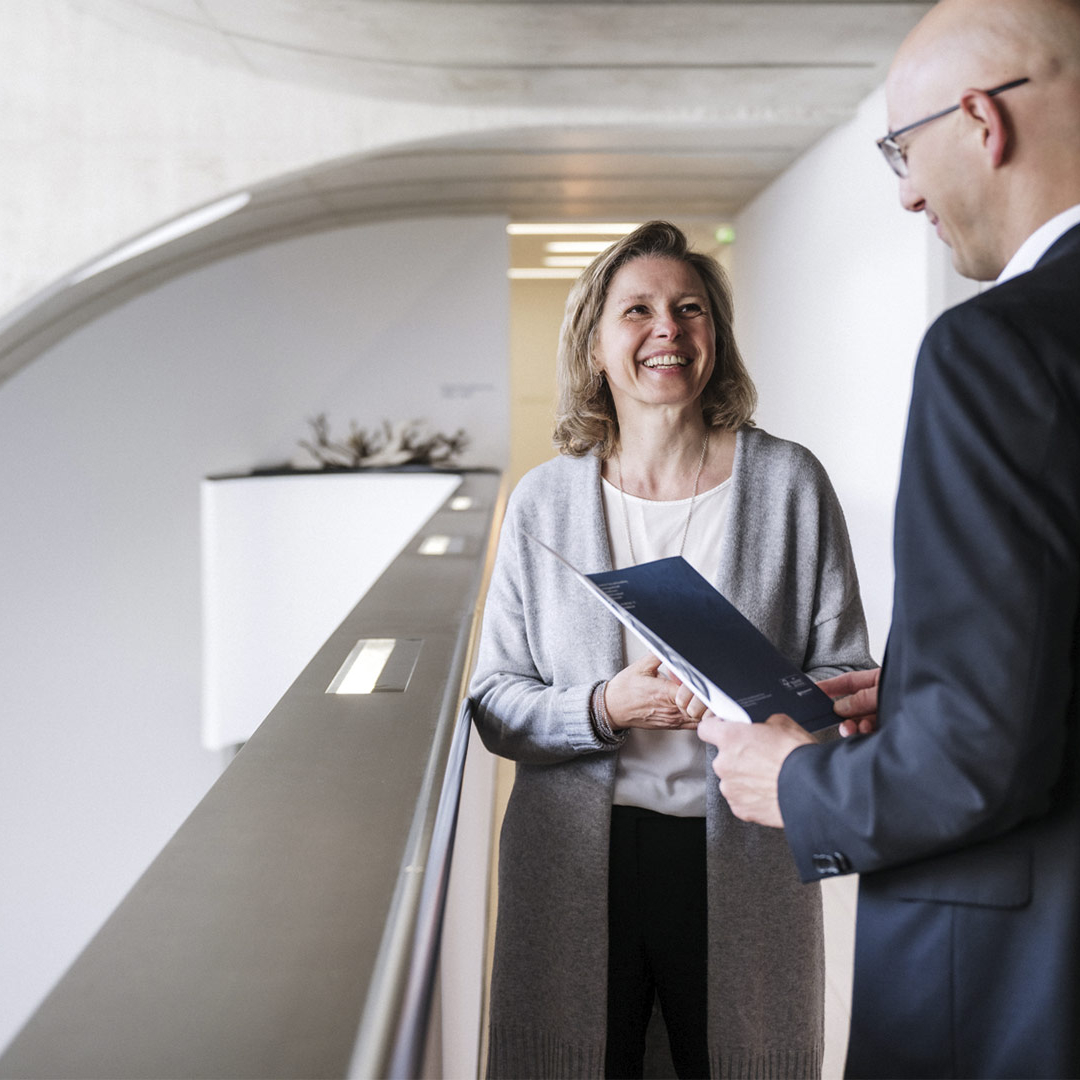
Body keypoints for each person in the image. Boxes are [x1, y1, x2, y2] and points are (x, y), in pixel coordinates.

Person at [695, 1, 1080, 1076]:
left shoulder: (993, 350)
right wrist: (914, 684)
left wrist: (796, 782)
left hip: (1021, 983)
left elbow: (977, 760)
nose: (908, 190)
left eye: (902, 151)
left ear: (980, 123)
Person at [469, 220, 874, 1079]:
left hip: (744, 859)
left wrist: (757, 697)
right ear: (595, 345)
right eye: (639, 310)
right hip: (579, 861)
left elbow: (848, 670)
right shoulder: (543, 504)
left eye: (690, 309)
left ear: (715, 338)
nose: (668, 329)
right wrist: (603, 707)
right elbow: (495, 701)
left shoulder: (790, 482)